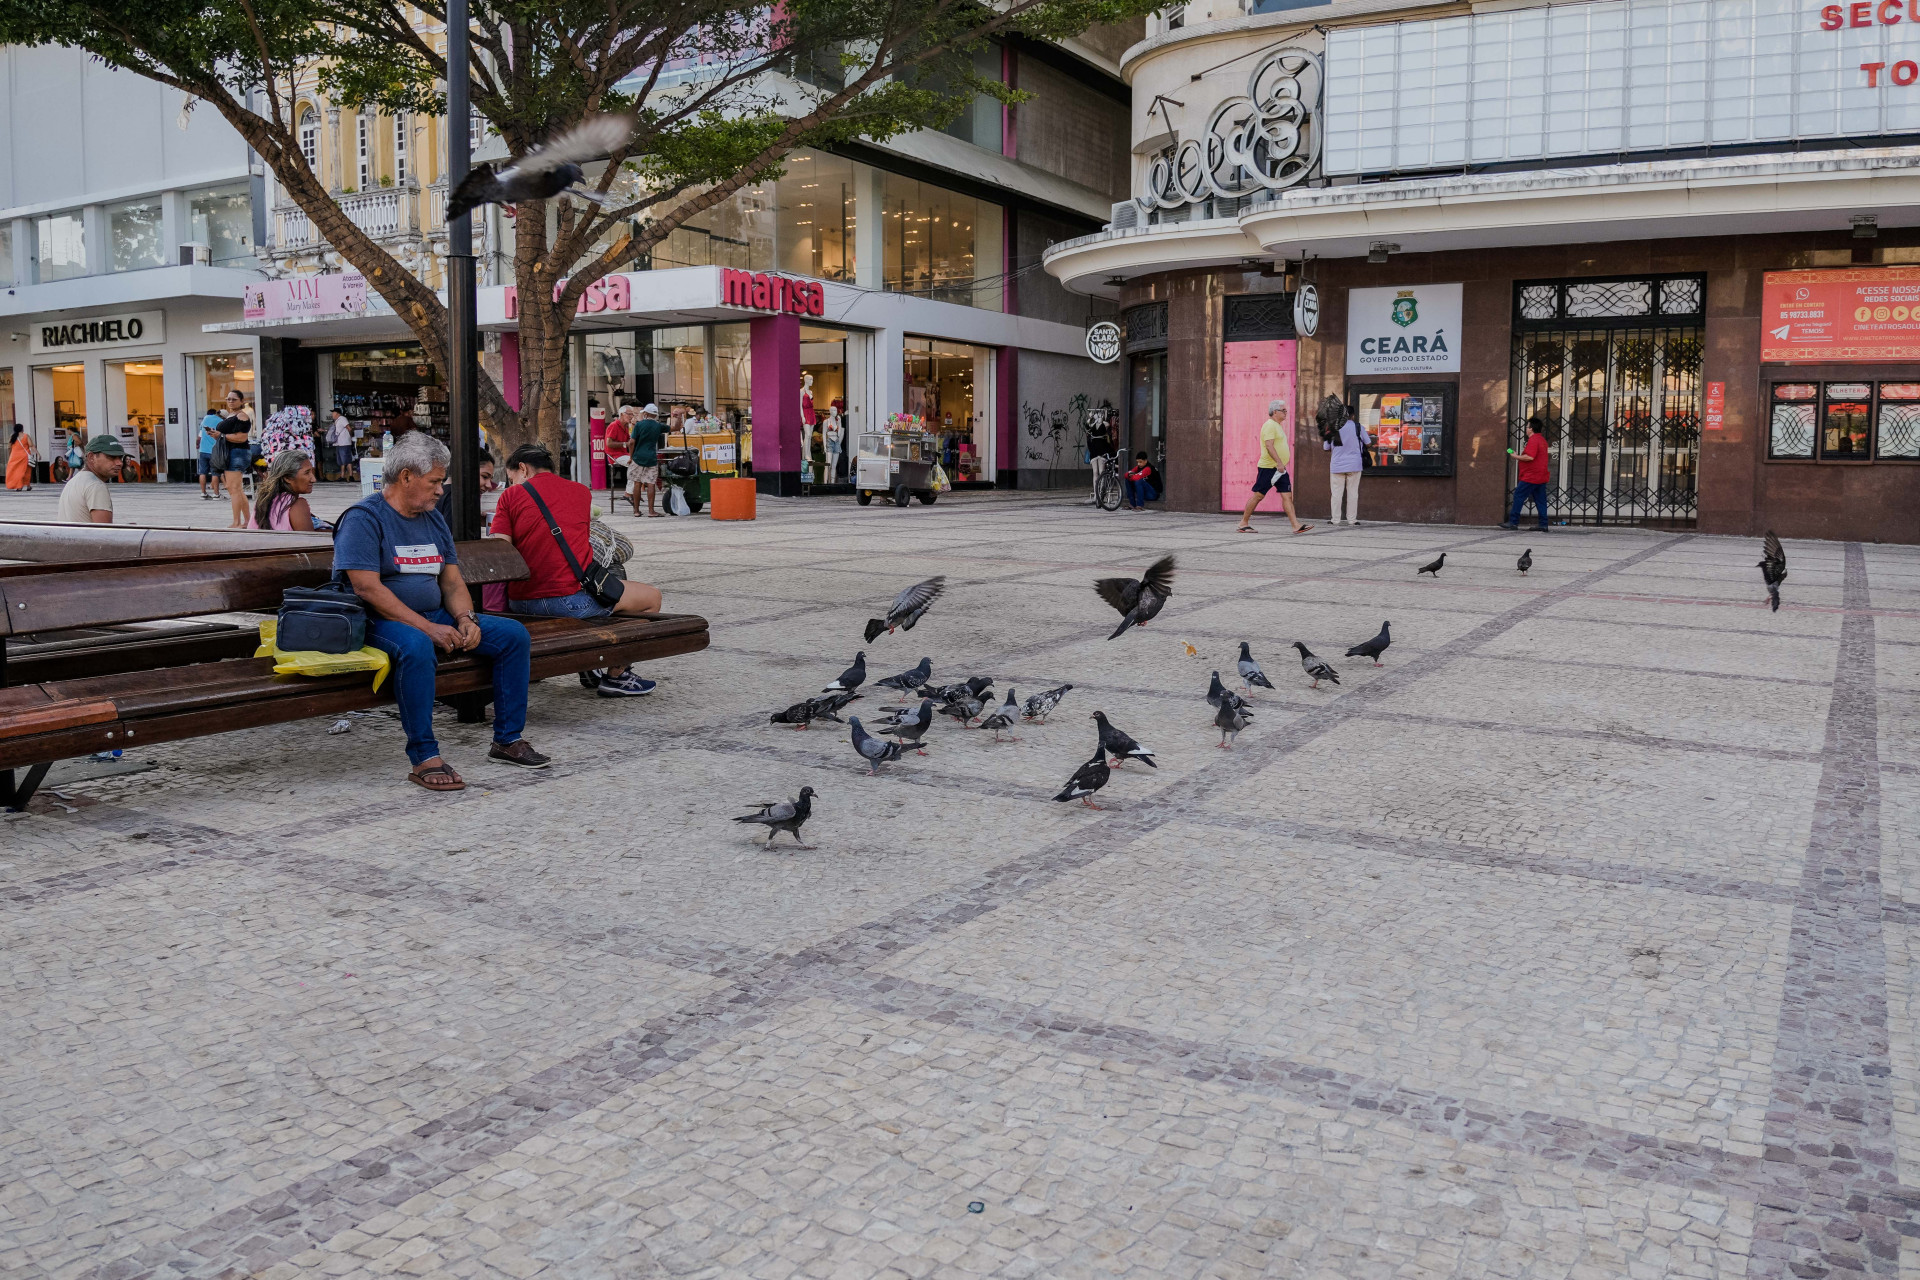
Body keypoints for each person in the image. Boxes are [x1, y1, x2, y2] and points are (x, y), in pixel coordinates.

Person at [333, 432, 547, 791]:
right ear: (406, 477)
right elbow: (367, 588)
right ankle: (424, 756)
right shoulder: (364, 518)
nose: (439, 490)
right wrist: (427, 628)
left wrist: (466, 618)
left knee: (513, 635)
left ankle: (507, 740)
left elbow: (451, 582)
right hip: (375, 620)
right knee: (417, 647)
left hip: (432, 615)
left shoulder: (431, 518)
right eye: (434, 481)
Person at [492, 442, 662, 698]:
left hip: (520, 602)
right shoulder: (581, 492)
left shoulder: (510, 496)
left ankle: (592, 663)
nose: (512, 484)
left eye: (511, 477)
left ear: (523, 469)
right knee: (651, 598)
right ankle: (617, 675)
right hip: (569, 602)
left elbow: (501, 551)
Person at [1237, 399, 1311, 534]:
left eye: (1286, 410)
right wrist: (1279, 462)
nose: (1286, 413)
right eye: (1283, 410)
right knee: (1258, 496)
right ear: (1275, 412)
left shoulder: (1277, 426)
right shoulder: (1269, 425)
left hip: (1280, 469)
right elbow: (1269, 445)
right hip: (1269, 468)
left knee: (1287, 496)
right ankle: (1243, 523)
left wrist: (1281, 465)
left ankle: (1295, 525)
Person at [251, 449, 331, 531]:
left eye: (312, 472)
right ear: (287, 478)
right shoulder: (297, 505)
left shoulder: (262, 502)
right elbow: (309, 539)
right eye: (307, 473)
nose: (313, 479)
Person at [1323, 403, 1371, 527]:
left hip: (1337, 466)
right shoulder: (1358, 427)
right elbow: (1368, 443)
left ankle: (1335, 520)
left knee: (1336, 494)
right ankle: (1352, 520)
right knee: (1353, 493)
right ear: (1352, 416)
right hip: (1354, 465)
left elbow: (1326, 447)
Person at [57, 435, 124, 523]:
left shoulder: (74, 481)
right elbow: (104, 529)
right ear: (91, 457)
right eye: (111, 457)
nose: (119, 463)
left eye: (120, 457)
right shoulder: (96, 486)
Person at [1504, 416, 1552, 531]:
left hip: (1531, 476)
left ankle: (1513, 522)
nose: (1526, 429)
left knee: (1519, 495)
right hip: (1541, 475)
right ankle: (1543, 524)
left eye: (1527, 427)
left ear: (1531, 429)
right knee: (1540, 500)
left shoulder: (1534, 440)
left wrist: (1515, 456)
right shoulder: (1542, 440)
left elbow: (1529, 457)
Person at [214, 390, 254, 529]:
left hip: (237, 453)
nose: (230, 401)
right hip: (232, 452)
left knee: (234, 489)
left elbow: (242, 437)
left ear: (241, 401)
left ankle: (237, 522)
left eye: (234, 399)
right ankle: (247, 521)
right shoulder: (232, 415)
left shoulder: (241, 416)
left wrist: (221, 436)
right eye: (228, 399)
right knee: (237, 489)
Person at [628, 403, 667, 517]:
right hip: (651, 458)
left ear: (645, 413)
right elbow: (675, 428)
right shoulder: (658, 426)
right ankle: (651, 511)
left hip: (638, 457)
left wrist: (631, 456)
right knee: (651, 483)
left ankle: (636, 511)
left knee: (637, 483)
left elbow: (631, 442)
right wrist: (678, 418)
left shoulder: (639, 425)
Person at [1084, 411, 1115, 505]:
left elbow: (1107, 424)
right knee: (1095, 472)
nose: (1099, 416)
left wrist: (1100, 419)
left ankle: (1101, 494)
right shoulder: (1092, 424)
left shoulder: (1104, 424)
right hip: (1094, 450)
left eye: (1100, 414)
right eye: (1097, 414)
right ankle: (1096, 495)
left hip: (1102, 449)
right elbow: (1087, 426)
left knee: (1102, 472)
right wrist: (1091, 418)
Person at [197, 409, 223, 497]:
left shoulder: (205, 419)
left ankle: (203, 493)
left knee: (202, 473)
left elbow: (200, 436)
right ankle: (216, 494)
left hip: (203, 450)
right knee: (215, 473)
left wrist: (197, 445)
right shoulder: (220, 421)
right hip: (214, 451)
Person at [328, 409, 355, 480]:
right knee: (341, 461)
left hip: (344, 443)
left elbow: (349, 428)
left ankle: (351, 476)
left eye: (333, 413)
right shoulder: (336, 420)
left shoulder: (342, 419)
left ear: (337, 413)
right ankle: (342, 476)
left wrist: (350, 437)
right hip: (338, 443)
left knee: (347, 459)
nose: (332, 414)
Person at [6, 425, 33, 492]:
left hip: (14, 456)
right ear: (22, 429)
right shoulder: (26, 436)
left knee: (15, 471)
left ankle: (19, 486)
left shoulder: (12, 436)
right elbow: (31, 445)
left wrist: (10, 455)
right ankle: (28, 486)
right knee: (26, 471)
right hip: (24, 456)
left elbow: (9, 447)